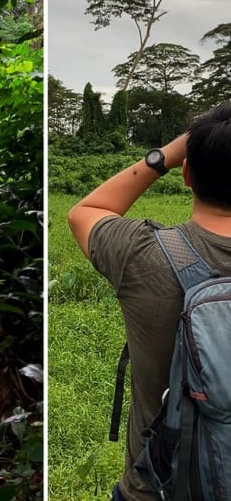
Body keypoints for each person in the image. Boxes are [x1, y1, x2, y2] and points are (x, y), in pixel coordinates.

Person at [67, 103, 231, 501]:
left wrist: (167, 154)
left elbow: (84, 211)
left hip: (154, 490)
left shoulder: (142, 253)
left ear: (188, 174)